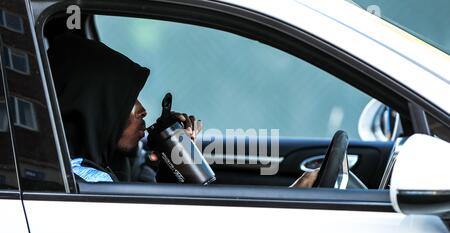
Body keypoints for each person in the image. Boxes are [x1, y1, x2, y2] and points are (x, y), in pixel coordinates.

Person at [48, 33, 317, 186]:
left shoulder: (102, 161)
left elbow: (146, 190)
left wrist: (170, 152)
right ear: (95, 107)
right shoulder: (87, 182)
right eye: (127, 98)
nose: (142, 110)